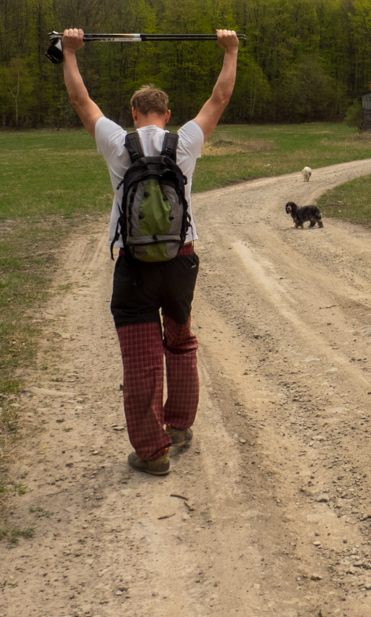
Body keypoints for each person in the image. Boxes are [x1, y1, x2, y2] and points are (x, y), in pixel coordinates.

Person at [60, 27, 240, 475]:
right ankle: (178, 426)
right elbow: (218, 98)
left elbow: (82, 102)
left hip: (134, 265)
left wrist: (70, 53)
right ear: (167, 114)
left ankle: (153, 452)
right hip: (181, 259)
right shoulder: (187, 142)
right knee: (180, 342)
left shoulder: (118, 143)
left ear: (134, 114)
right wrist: (230, 51)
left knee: (141, 358)